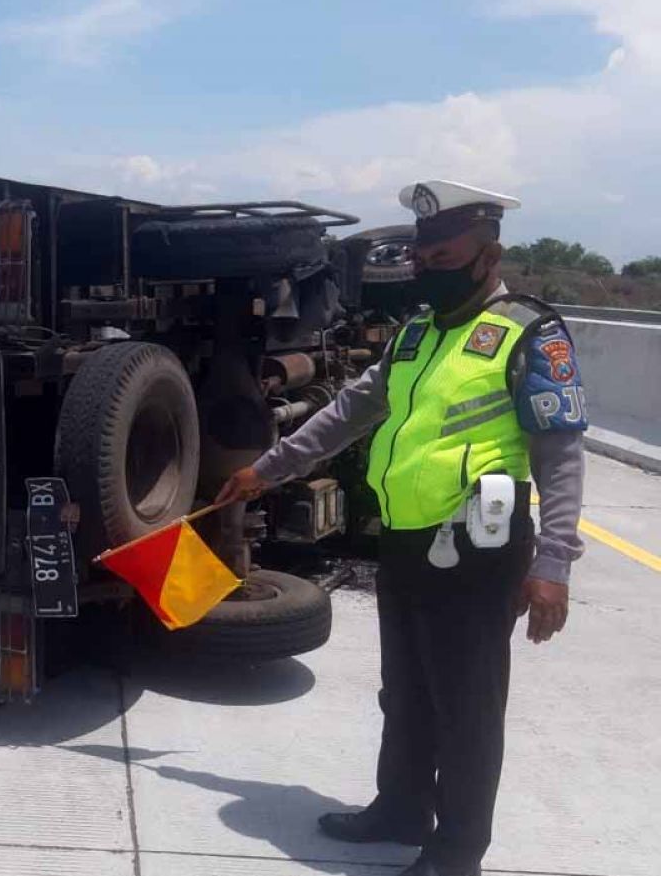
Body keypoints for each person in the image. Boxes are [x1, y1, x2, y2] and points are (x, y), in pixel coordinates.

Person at [217, 180, 588, 876]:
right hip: (408, 540)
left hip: (481, 547)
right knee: (407, 690)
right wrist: (268, 467)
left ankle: (456, 850)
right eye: (421, 255)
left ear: (487, 255)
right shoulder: (417, 335)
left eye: (442, 253)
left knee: (466, 704)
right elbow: (349, 411)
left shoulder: (528, 332)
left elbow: (560, 455)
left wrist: (554, 565)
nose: (426, 265)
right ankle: (401, 808)